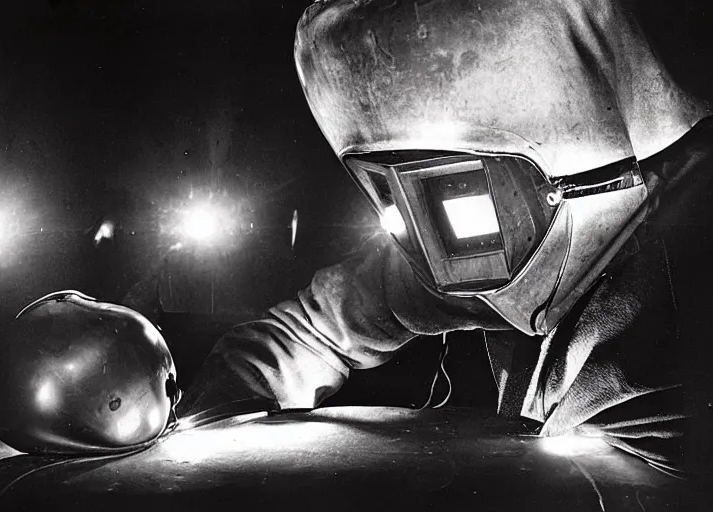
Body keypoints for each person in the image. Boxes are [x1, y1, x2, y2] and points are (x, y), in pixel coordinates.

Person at [174, 0, 712, 474]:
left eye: (463, 186)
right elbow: (306, 333)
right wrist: (204, 426)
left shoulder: (684, 255)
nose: (439, 229)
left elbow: (629, 480)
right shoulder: (471, 245)